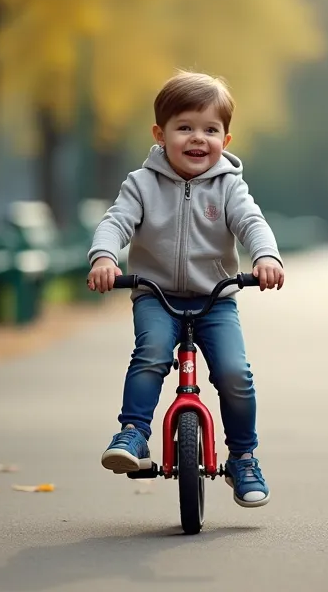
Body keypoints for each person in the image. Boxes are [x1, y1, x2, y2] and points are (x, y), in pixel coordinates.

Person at [87, 70, 285, 507]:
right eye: (185, 128)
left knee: (235, 373)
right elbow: (115, 222)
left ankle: (243, 457)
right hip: (156, 295)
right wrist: (104, 257)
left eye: (210, 129)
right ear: (160, 135)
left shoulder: (229, 185)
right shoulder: (141, 184)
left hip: (215, 300)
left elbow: (252, 223)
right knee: (151, 355)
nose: (198, 138)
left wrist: (266, 257)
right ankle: (134, 433)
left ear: (226, 140)